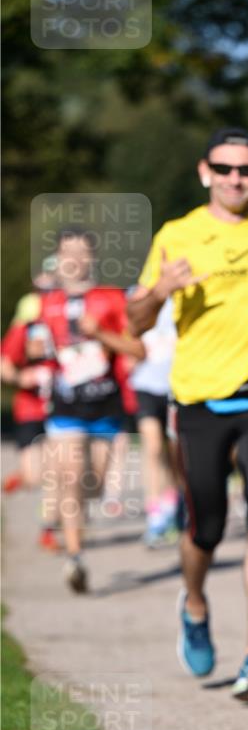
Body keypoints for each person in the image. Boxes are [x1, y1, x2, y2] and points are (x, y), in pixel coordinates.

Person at [127, 126, 248, 703]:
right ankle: (195, 603)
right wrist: (161, 290)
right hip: (200, 401)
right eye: (225, 168)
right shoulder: (176, 234)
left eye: (246, 169)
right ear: (205, 172)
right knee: (205, 527)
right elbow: (134, 322)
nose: (236, 178)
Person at [27, 228, 145, 592]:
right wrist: (37, 349)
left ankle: (76, 524)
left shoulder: (111, 298)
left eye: (81, 252)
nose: (74, 260)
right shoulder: (46, 302)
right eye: (68, 253)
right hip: (64, 406)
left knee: (91, 485)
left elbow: (138, 350)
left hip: (106, 407)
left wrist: (100, 335)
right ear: (58, 259)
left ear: (92, 257)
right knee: (70, 476)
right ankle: (75, 557)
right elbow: (32, 347)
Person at [1, 260, 59, 549]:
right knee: (37, 475)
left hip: (64, 409)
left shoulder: (76, 323)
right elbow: (4, 365)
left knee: (56, 473)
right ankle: (23, 477)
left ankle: (47, 530)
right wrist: (22, 378)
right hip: (31, 408)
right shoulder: (27, 325)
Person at [129, 294, 179, 547]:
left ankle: (172, 505)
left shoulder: (184, 295)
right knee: (153, 447)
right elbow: (126, 332)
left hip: (178, 387)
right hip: (146, 386)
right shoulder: (136, 295)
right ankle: (154, 514)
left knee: (174, 453)